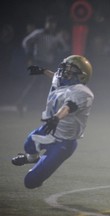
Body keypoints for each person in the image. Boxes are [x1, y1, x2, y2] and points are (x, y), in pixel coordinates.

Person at [11, 55, 94, 189]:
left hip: (63, 143)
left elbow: (69, 106)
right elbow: (55, 76)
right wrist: (43, 71)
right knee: (28, 145)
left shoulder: (82, 92)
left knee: (30, 182)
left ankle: (40, 169)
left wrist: (56, 117)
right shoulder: (61, 80)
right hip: (49, 130)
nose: (63, 73)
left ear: (81, 76)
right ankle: (32, 159)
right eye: (64, 69)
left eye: (69, 71)